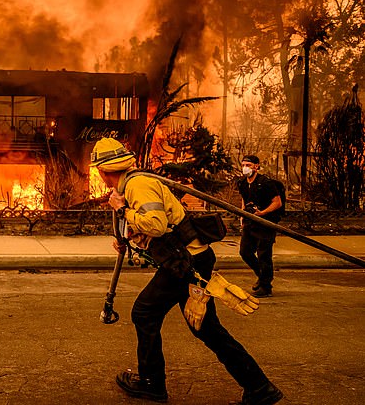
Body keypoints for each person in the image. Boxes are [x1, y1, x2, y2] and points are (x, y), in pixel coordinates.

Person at [90, 137, 283, 405]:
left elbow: (156, 225)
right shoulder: (134, 184)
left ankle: (151, 383)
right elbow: (157, 225)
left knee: (144, 312)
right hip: (191, 259)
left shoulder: (138, 185)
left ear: (102, 170)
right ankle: (260, 388)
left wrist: (122, 209)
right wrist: (130, 236)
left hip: (186, 263)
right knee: (206, 328)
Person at [236, 155, 282, 298]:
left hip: (266, 223)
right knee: (245, 252)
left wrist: (263, 213)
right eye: (243, 165)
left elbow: (277, 202)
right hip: (250, 222)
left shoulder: (266, 183)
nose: (245, 168)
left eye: (248, 165)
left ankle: (266, 287)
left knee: (264, 254)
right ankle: (262, 277)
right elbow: (244, 200)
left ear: (256, 166)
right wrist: (242, 217)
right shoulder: (242, 183)